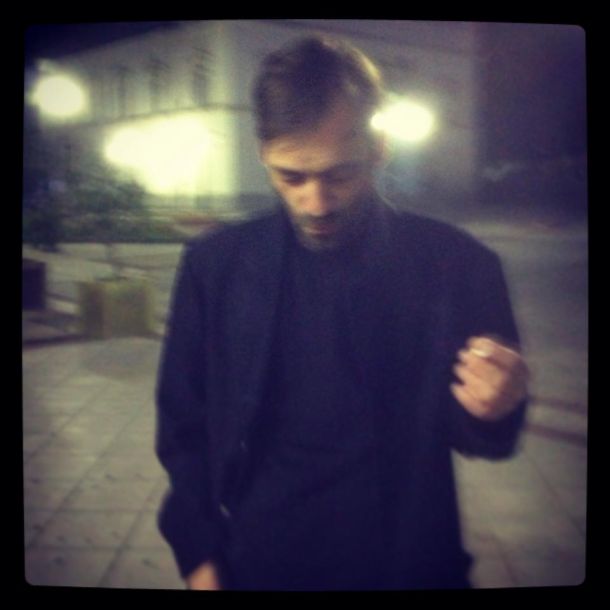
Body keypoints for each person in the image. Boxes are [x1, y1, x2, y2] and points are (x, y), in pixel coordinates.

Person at [155, 35, 529, 591]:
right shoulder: (214, 268)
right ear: (262, 153)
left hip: (408, 564)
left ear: (379, 147)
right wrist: (200, 556)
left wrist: (497, 404)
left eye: (339, 174)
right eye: (291, 176)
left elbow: (488, 440)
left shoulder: (460, 265)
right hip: (258, 562)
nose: (316, 201)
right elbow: (183, 426)